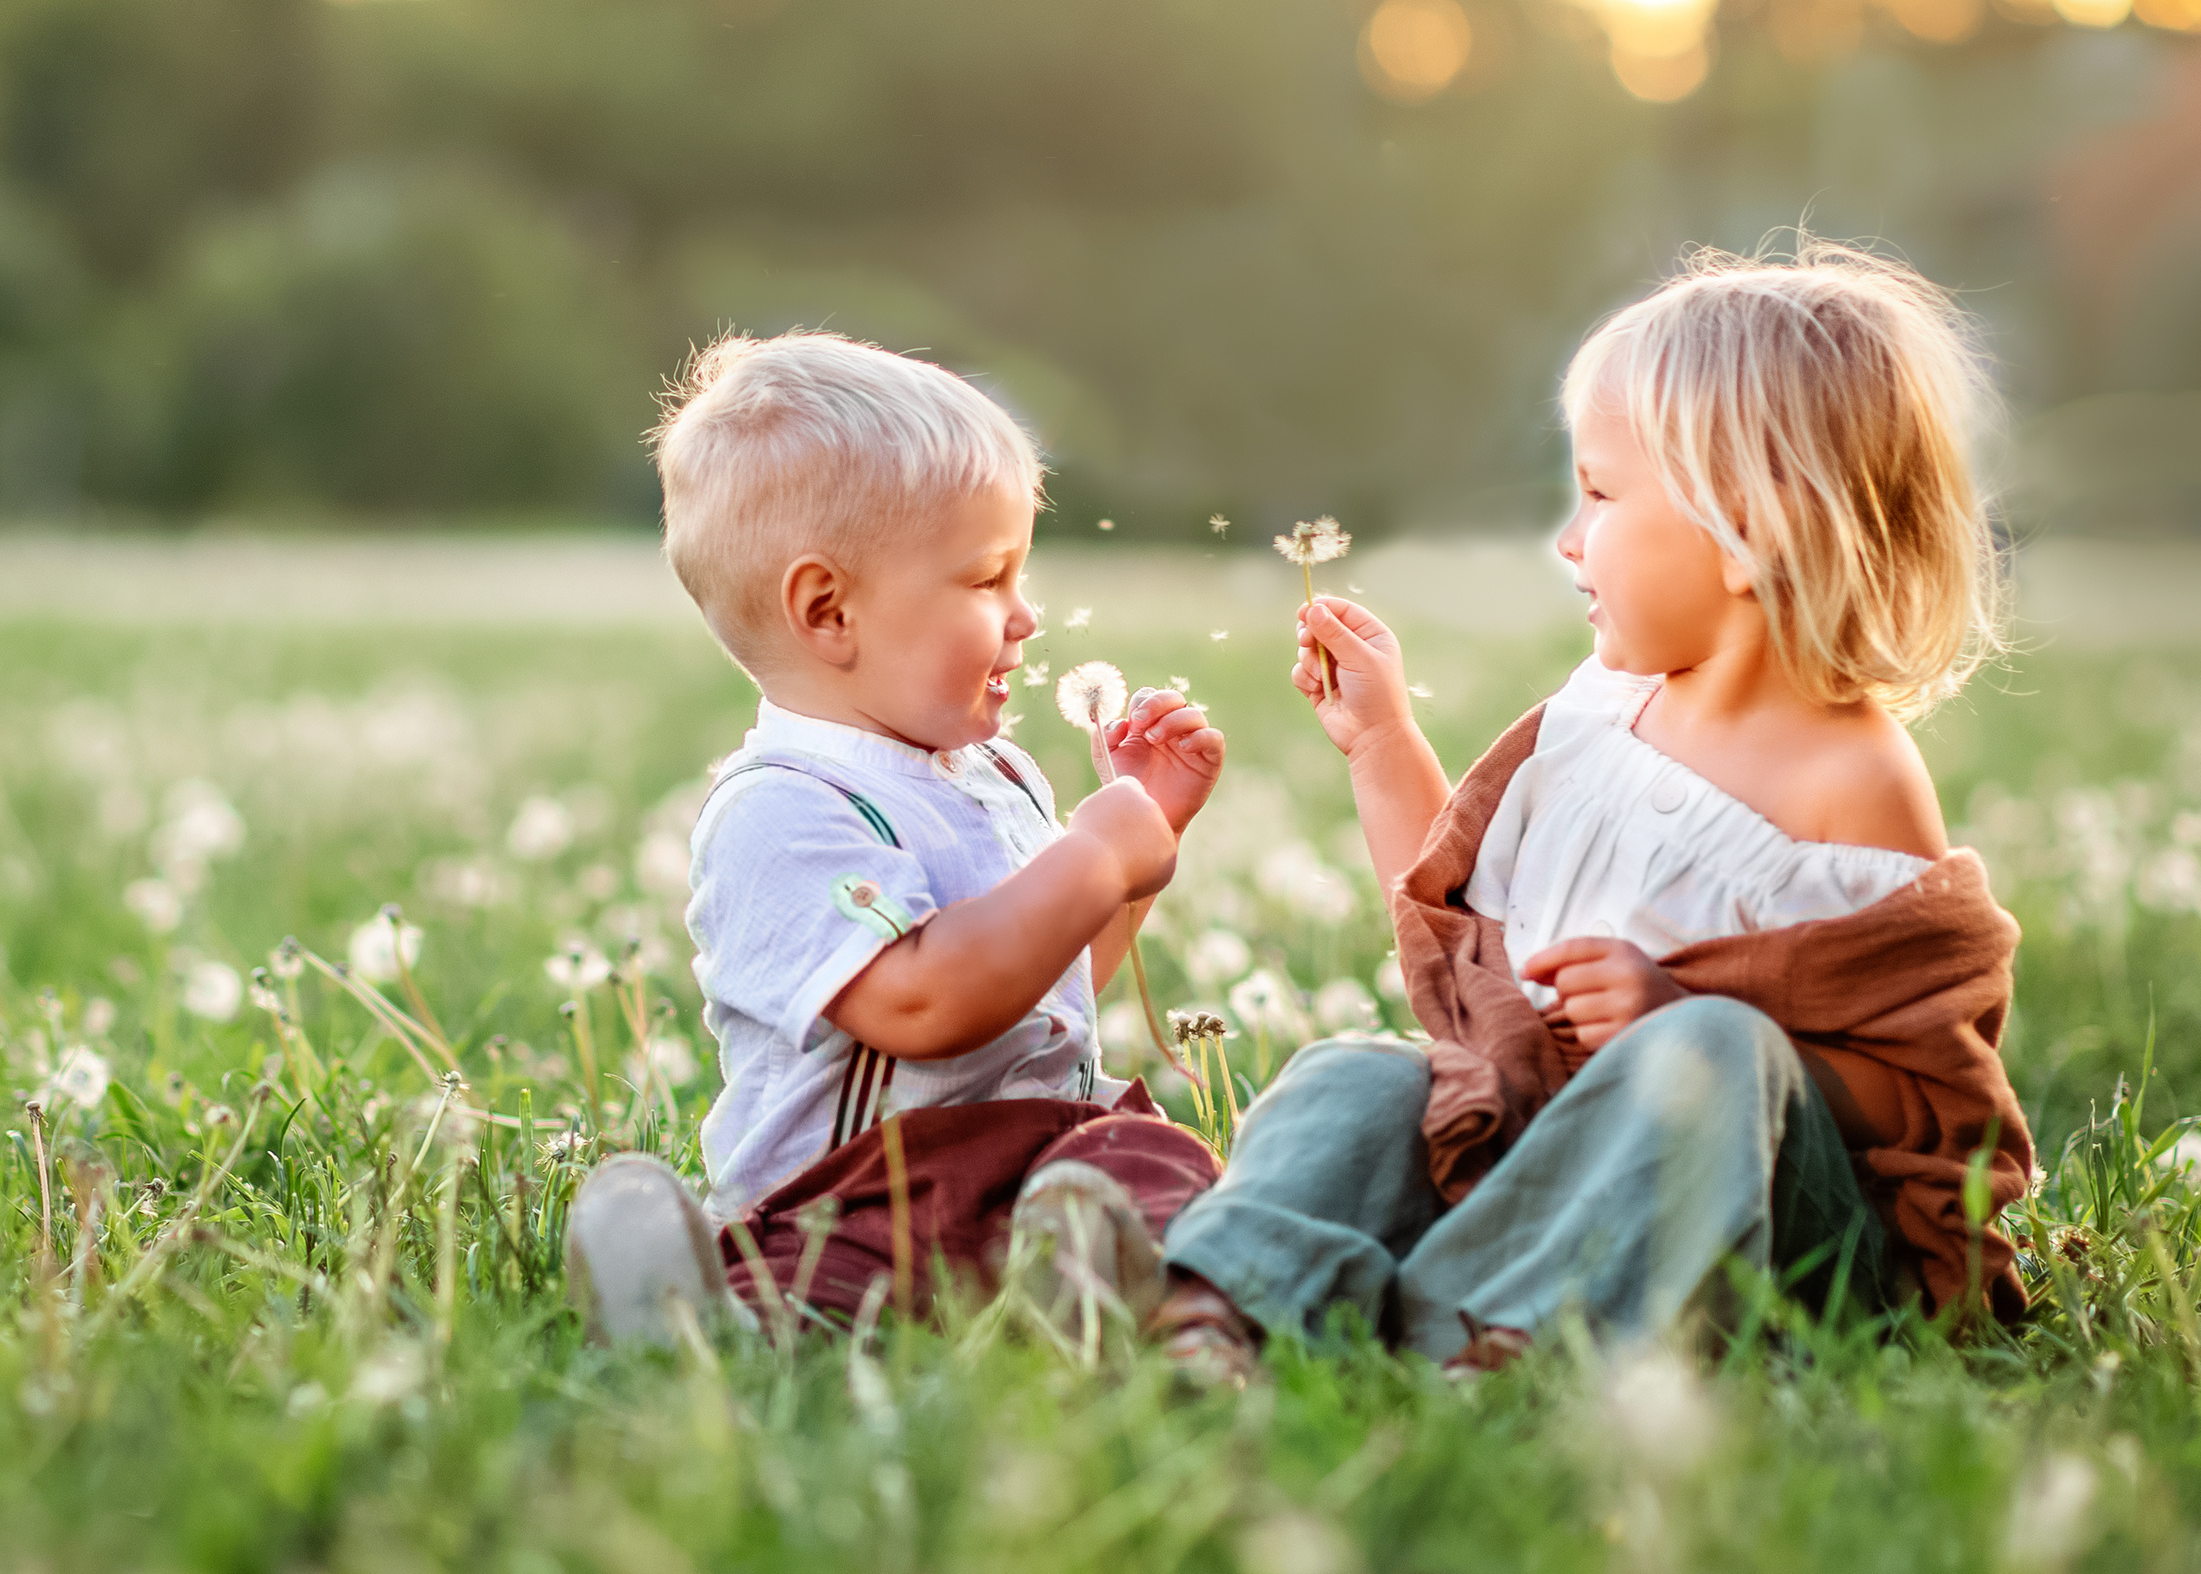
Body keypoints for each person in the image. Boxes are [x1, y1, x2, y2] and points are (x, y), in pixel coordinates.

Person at [1154, 240, 2034, 1382]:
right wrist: (1380, 742)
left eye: (1602, 494)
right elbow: (1467, 938)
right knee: (1361, 1075)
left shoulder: (1849, 779)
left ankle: (1495, 1331)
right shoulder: (1599, 717)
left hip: (1781, 1239)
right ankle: (1218, 1299)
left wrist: (1677, 1011)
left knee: (1710, 1051)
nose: (1568, 538)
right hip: (1540, 1150)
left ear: (1748, 528)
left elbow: (1920, 1103)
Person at [565, 331, 1224, 1345]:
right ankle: (701, 1318)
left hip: (1044, 1157)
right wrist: (1095, 852)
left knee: (1149, 1155)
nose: (1026, 617)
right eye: (986, 580)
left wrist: (1141, 847)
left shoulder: (995, 776)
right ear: (828, 610)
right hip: (868, 1186)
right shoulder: (783, 812)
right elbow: (925, 1001)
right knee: (820, 1277)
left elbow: (1043, 981)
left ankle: (1121, 1294)